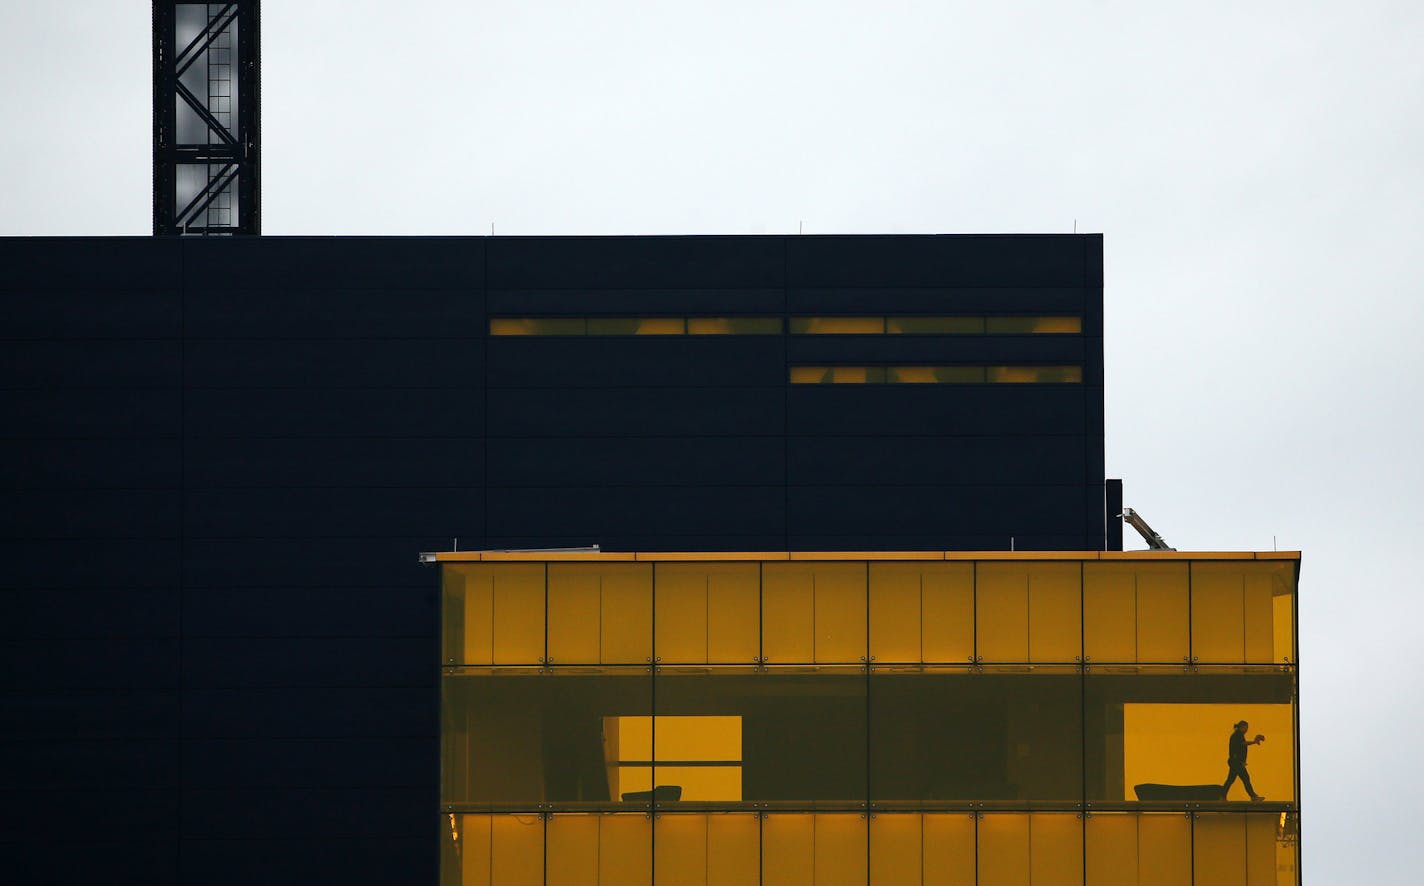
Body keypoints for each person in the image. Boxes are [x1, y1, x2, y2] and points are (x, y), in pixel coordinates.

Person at [1222, 720, 1266, 801]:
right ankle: (1253, 796)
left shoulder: (1237, 735)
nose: (1247, 730)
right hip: (1236, 762)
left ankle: (1222, 796)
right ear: (1242, 727)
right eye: (1246, 728)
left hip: (1235, 762)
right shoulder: (1237, 735)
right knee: (1245, 778)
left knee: (1231, 779)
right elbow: (1242, 744)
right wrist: (1254, 742)